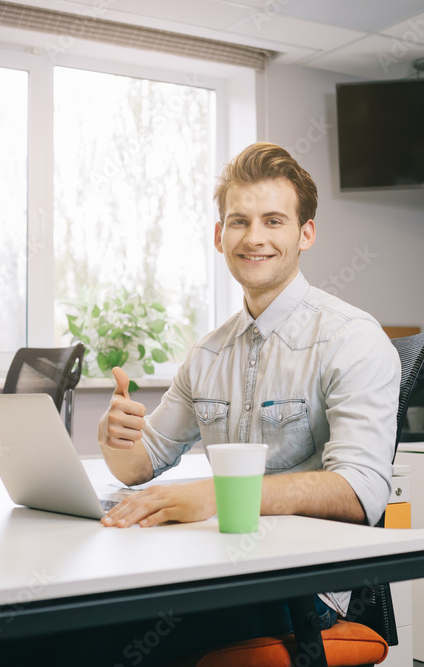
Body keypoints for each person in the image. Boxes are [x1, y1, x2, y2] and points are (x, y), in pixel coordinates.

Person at [93, 141, 401, 663]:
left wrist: (222, 494)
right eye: (239, 222)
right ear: (220, 236)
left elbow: (363, 490)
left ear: (305, 234)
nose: (253, 238)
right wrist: (115, 436)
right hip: (214, 567)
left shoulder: (352, 337)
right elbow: (140, 462)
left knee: (94, 632)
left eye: (273, 221)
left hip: (301, 590)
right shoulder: (209, 351)